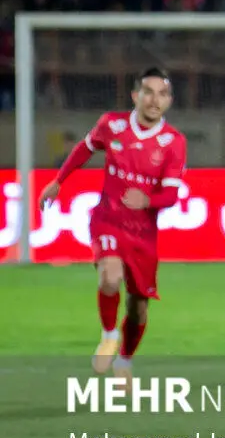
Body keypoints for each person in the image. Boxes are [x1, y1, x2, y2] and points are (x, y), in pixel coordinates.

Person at [37, 68, 188, 380]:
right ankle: (108, 336)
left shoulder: (174, 142)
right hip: (108, 220)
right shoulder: (112, 124)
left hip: (143, 234)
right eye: (148, 91)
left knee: (139, 308)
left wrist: (148, 201)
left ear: (169, 101)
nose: (154, 99)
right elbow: (85, 149)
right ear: (135, 96)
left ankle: (124, 361)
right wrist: (58, 180)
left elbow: (172, 195)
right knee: (109, 277)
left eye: (162, 93)